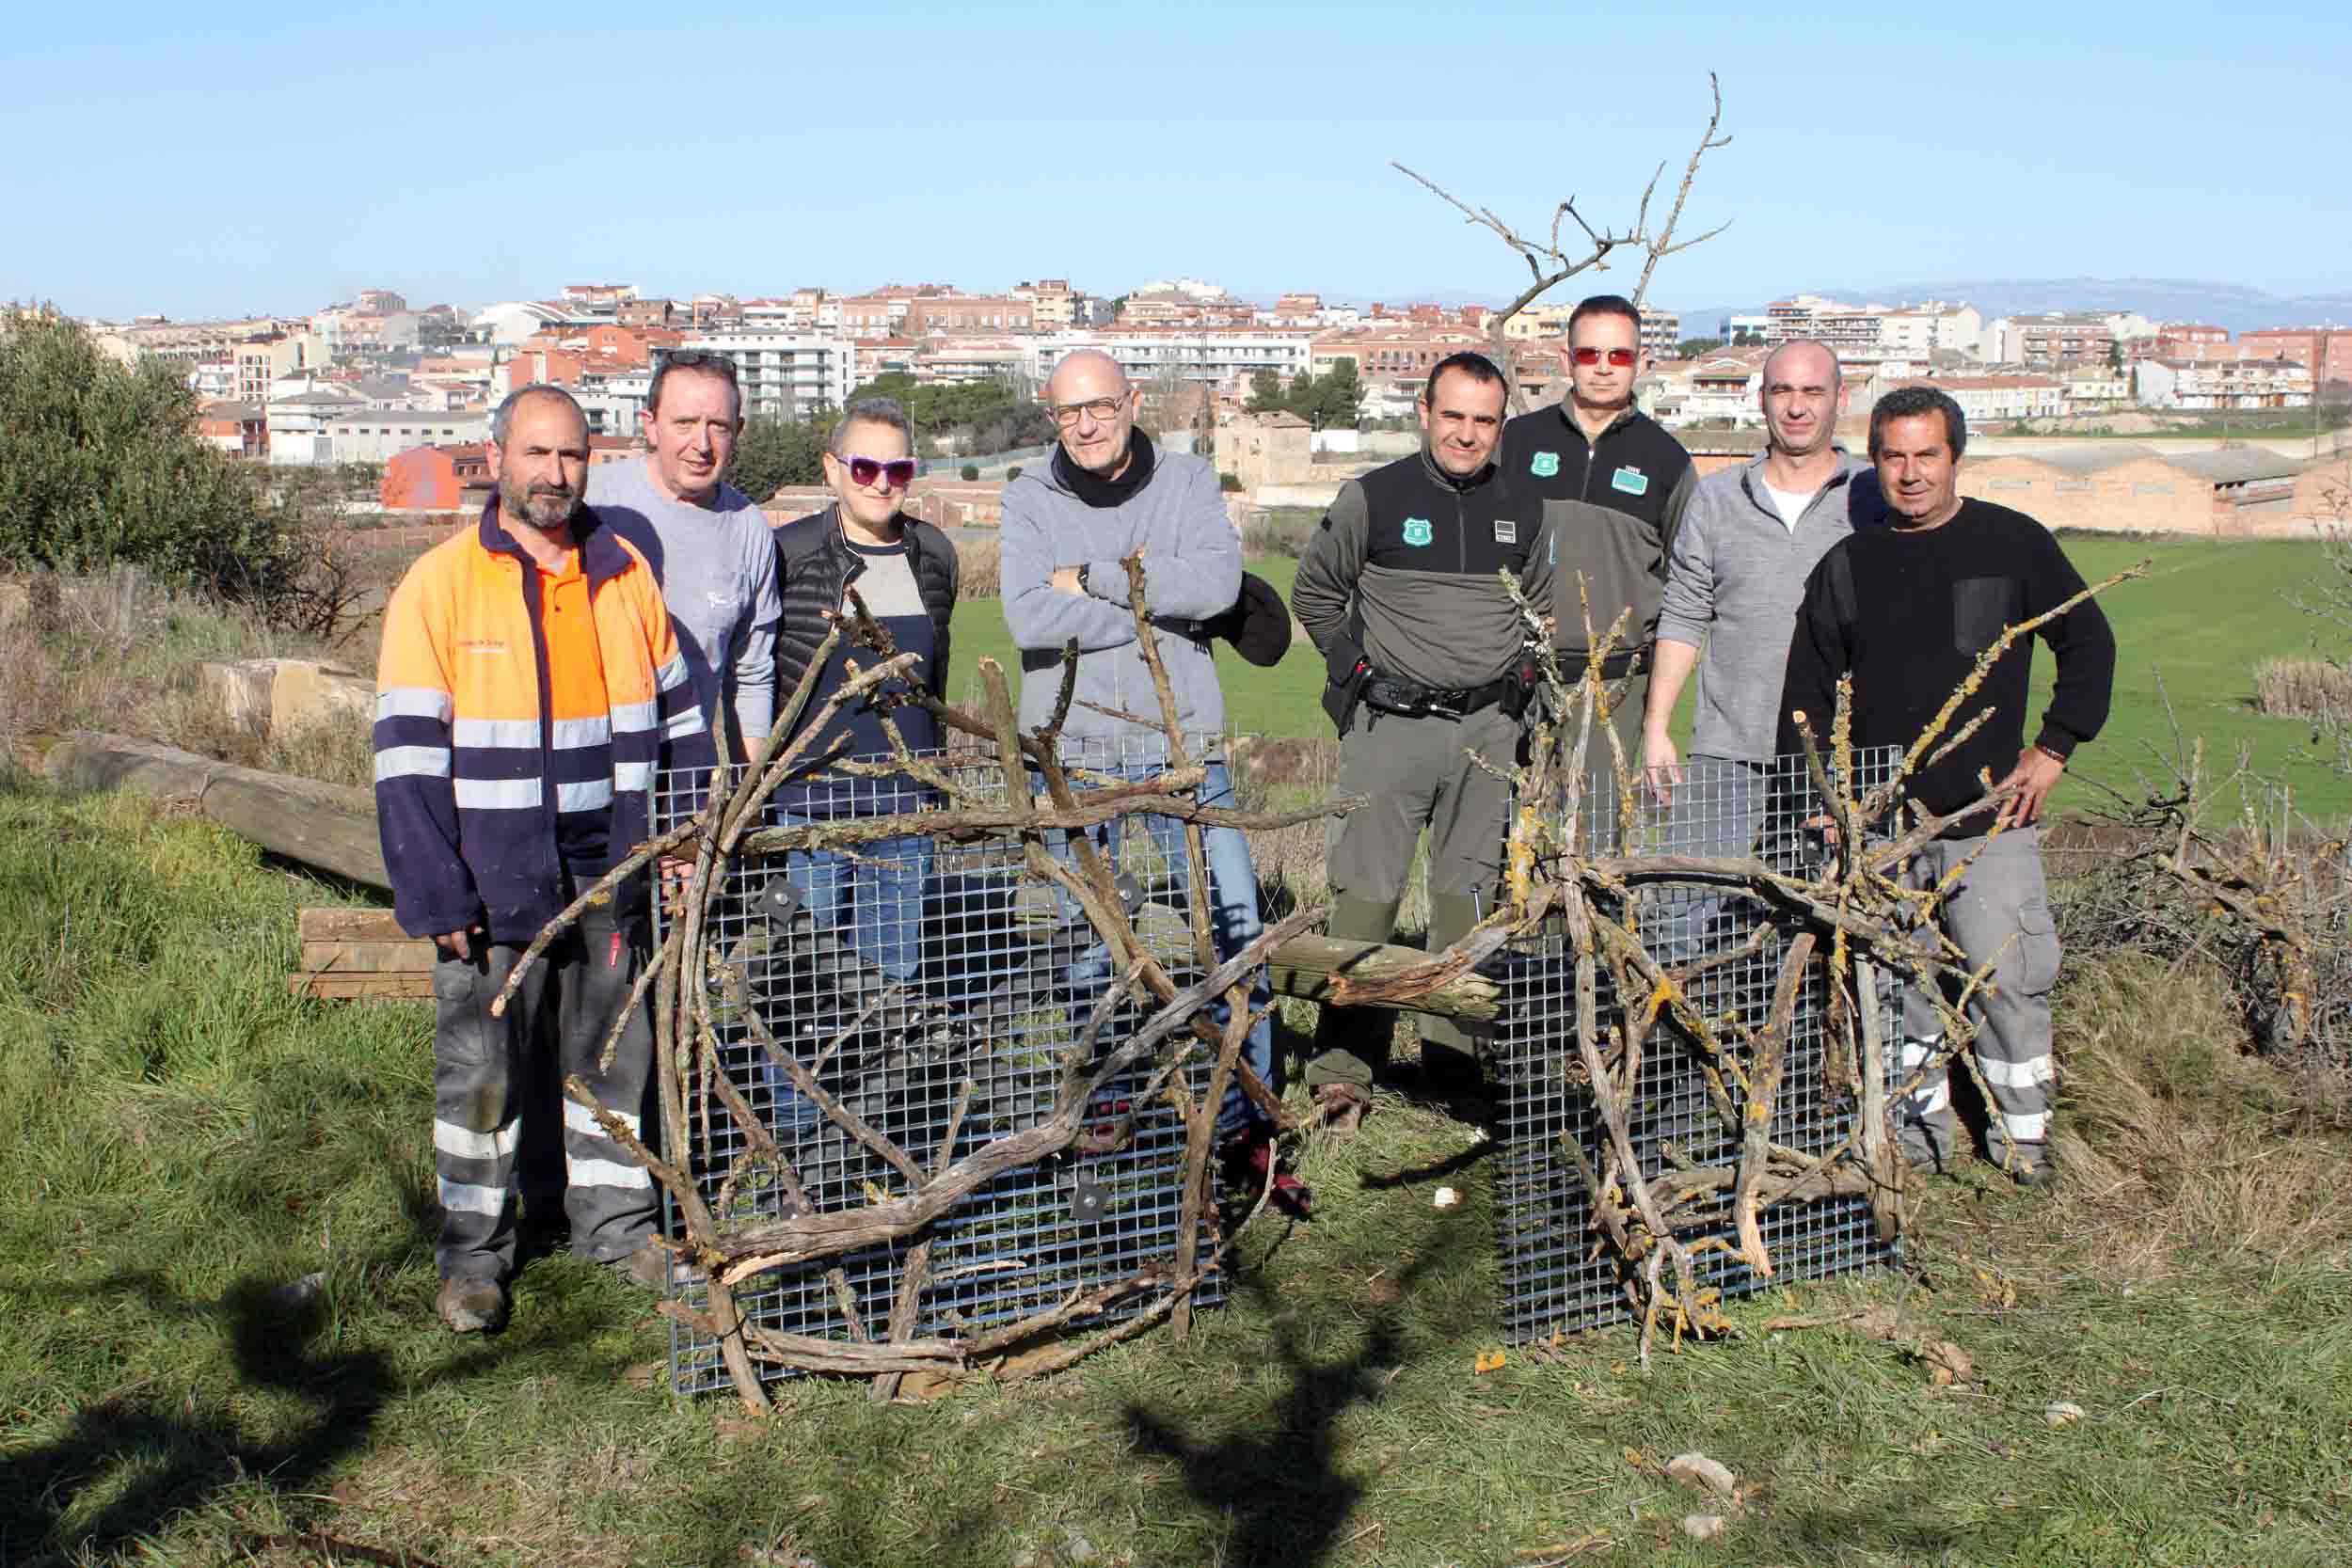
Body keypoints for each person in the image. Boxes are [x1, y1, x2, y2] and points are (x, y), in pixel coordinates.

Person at [374, 384, 714, 1333]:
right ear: (497, 459)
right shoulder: (441, 584)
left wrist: (681, 838)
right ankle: (474, 1257)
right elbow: (404, 754)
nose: (554, 473)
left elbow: (685, 726)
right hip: (489, 878)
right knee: (480, 1073)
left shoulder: (623, 576)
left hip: (611, 869)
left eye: (570, 455)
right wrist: (434, 886)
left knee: (613, 1059)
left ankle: (617, 1227)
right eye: (536, 453)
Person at [1777, 386, 2115, 1190]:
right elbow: (1807, 694)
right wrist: (1820, 802)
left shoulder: (2013, 544)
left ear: (1955, 456)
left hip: (1988, 816)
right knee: (1898, 983)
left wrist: (2055, 746)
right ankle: (1917, 1135)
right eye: (1893, 456)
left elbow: (2089, 641)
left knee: (2008, 977)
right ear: (1875, 462)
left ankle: (2023, 1139)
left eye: (1927, 454)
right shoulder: (1849, 565)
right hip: (1883, 821)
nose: (1911, 473)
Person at [999, 349, 1301, 1212]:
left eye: (1100, 405)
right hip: (1077, 752)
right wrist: (1153, 604)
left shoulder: (1189, 480)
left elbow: (1217, 588)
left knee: (1235, 933)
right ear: (1052, 417)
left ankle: (1249, 1122)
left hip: (1185, 747)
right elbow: (1027, 614)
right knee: (1089, 944)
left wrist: (1094, 577)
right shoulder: (1028, 495)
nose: (1085, 424)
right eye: (1067, 411)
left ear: (1133, 402)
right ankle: (1106, 1109)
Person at [1290, 351, 1546, 1127]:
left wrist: (1521, 690)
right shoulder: (1373, 497)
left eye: (1484, 420)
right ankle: (1345, 1068)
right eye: (1454, 415)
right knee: (1366, 896)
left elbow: (1542, 610)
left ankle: (1453, 1064)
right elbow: (1315, 592)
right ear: (1425, 414)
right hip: (1391, 728)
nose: (1467, 433)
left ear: (1501, 425)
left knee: (1468, 899)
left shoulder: (1526, 507)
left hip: (1488, 733)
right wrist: (1358, 669)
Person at [1640, 340, 1879, 962]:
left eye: (1812, 391)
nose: (1796, 407)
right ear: (1762, 400)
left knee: (1812, 924)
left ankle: (1791, 1029)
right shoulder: (1718, 498)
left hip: (1835, 758)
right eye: (1782, 391)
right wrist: (1657, 727)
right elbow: (1684, 612)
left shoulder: (1872, 498)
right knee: (1681, 914)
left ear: (1840, 399)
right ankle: (1676, 1025)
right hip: (1727, 747)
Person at [765, 397, 958, 1118]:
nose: (881, 482)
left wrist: (933, 784)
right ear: (832, 469)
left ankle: (871, 1129)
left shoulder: (934, 556)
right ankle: (797, 1135)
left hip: (904, 810)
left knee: (889, 980)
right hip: (810, 807)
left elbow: (936, 681)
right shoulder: (788, 555)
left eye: (897, 468)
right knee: (803, 980)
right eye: (865, 466)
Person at [1499, 293, 1694, 766]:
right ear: (1566, 359)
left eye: (1619, 356)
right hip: (1515, 680)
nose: (1603, 368)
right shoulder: (1516, 442)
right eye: (1589, 354)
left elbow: (1687, 587)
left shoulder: (1668, 461)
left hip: (1615, 689)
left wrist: (1658, 721)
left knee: (1599, 815)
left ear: (1641, 362)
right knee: (1506, 813)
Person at [588, 349, 780, 759]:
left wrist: (750, 783)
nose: (702, 444)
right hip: (587, 769)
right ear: (650, 426)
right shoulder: (592, 503)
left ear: (738, 431)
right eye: (685, 424)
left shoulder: (748, 529)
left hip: (683, 775)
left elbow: (751, 674)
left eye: (718, 426)